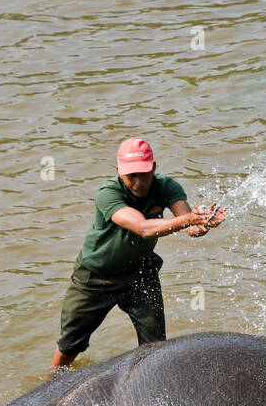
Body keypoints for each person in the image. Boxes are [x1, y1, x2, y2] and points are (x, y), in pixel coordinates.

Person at [48, 137, 226, 374]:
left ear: (153, 167)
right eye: (131, 175)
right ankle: (49, 384)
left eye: (144, 173)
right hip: (96, 275)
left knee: (155, 345)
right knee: (71, 345)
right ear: (119, 171)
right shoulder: (108, 193)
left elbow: (189, 224)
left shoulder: (167, 187)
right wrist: (188, 220)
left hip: (141, 272)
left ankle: (153, 383)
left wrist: (202, 224)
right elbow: (143, 228)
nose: (139, 182)